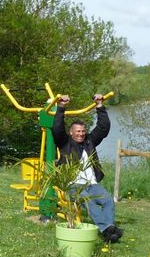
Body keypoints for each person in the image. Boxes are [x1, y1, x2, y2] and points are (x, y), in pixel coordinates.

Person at [52, 93, 123, 243]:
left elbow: (103, 128)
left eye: (83, 131)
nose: (81, 134)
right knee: (87, 200)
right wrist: (61, 107)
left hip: (92, 185)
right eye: (77, 131)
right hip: (73, 185)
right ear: (71, 132)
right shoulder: (65, 143)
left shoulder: (90, 141)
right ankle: (106, 230)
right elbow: (57, 128)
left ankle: (109, 228)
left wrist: (99, 105)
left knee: (108, 200)